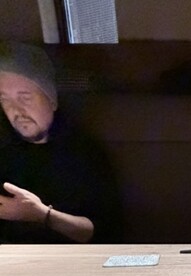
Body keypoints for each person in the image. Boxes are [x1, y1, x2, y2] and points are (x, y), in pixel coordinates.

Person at [0, 40, 121, 243]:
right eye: (4, 99)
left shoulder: (83, 153)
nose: (16, 110)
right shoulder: (5, 153)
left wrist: (43, 215)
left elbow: (103, 232)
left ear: (52, 99)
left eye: (25, 97)